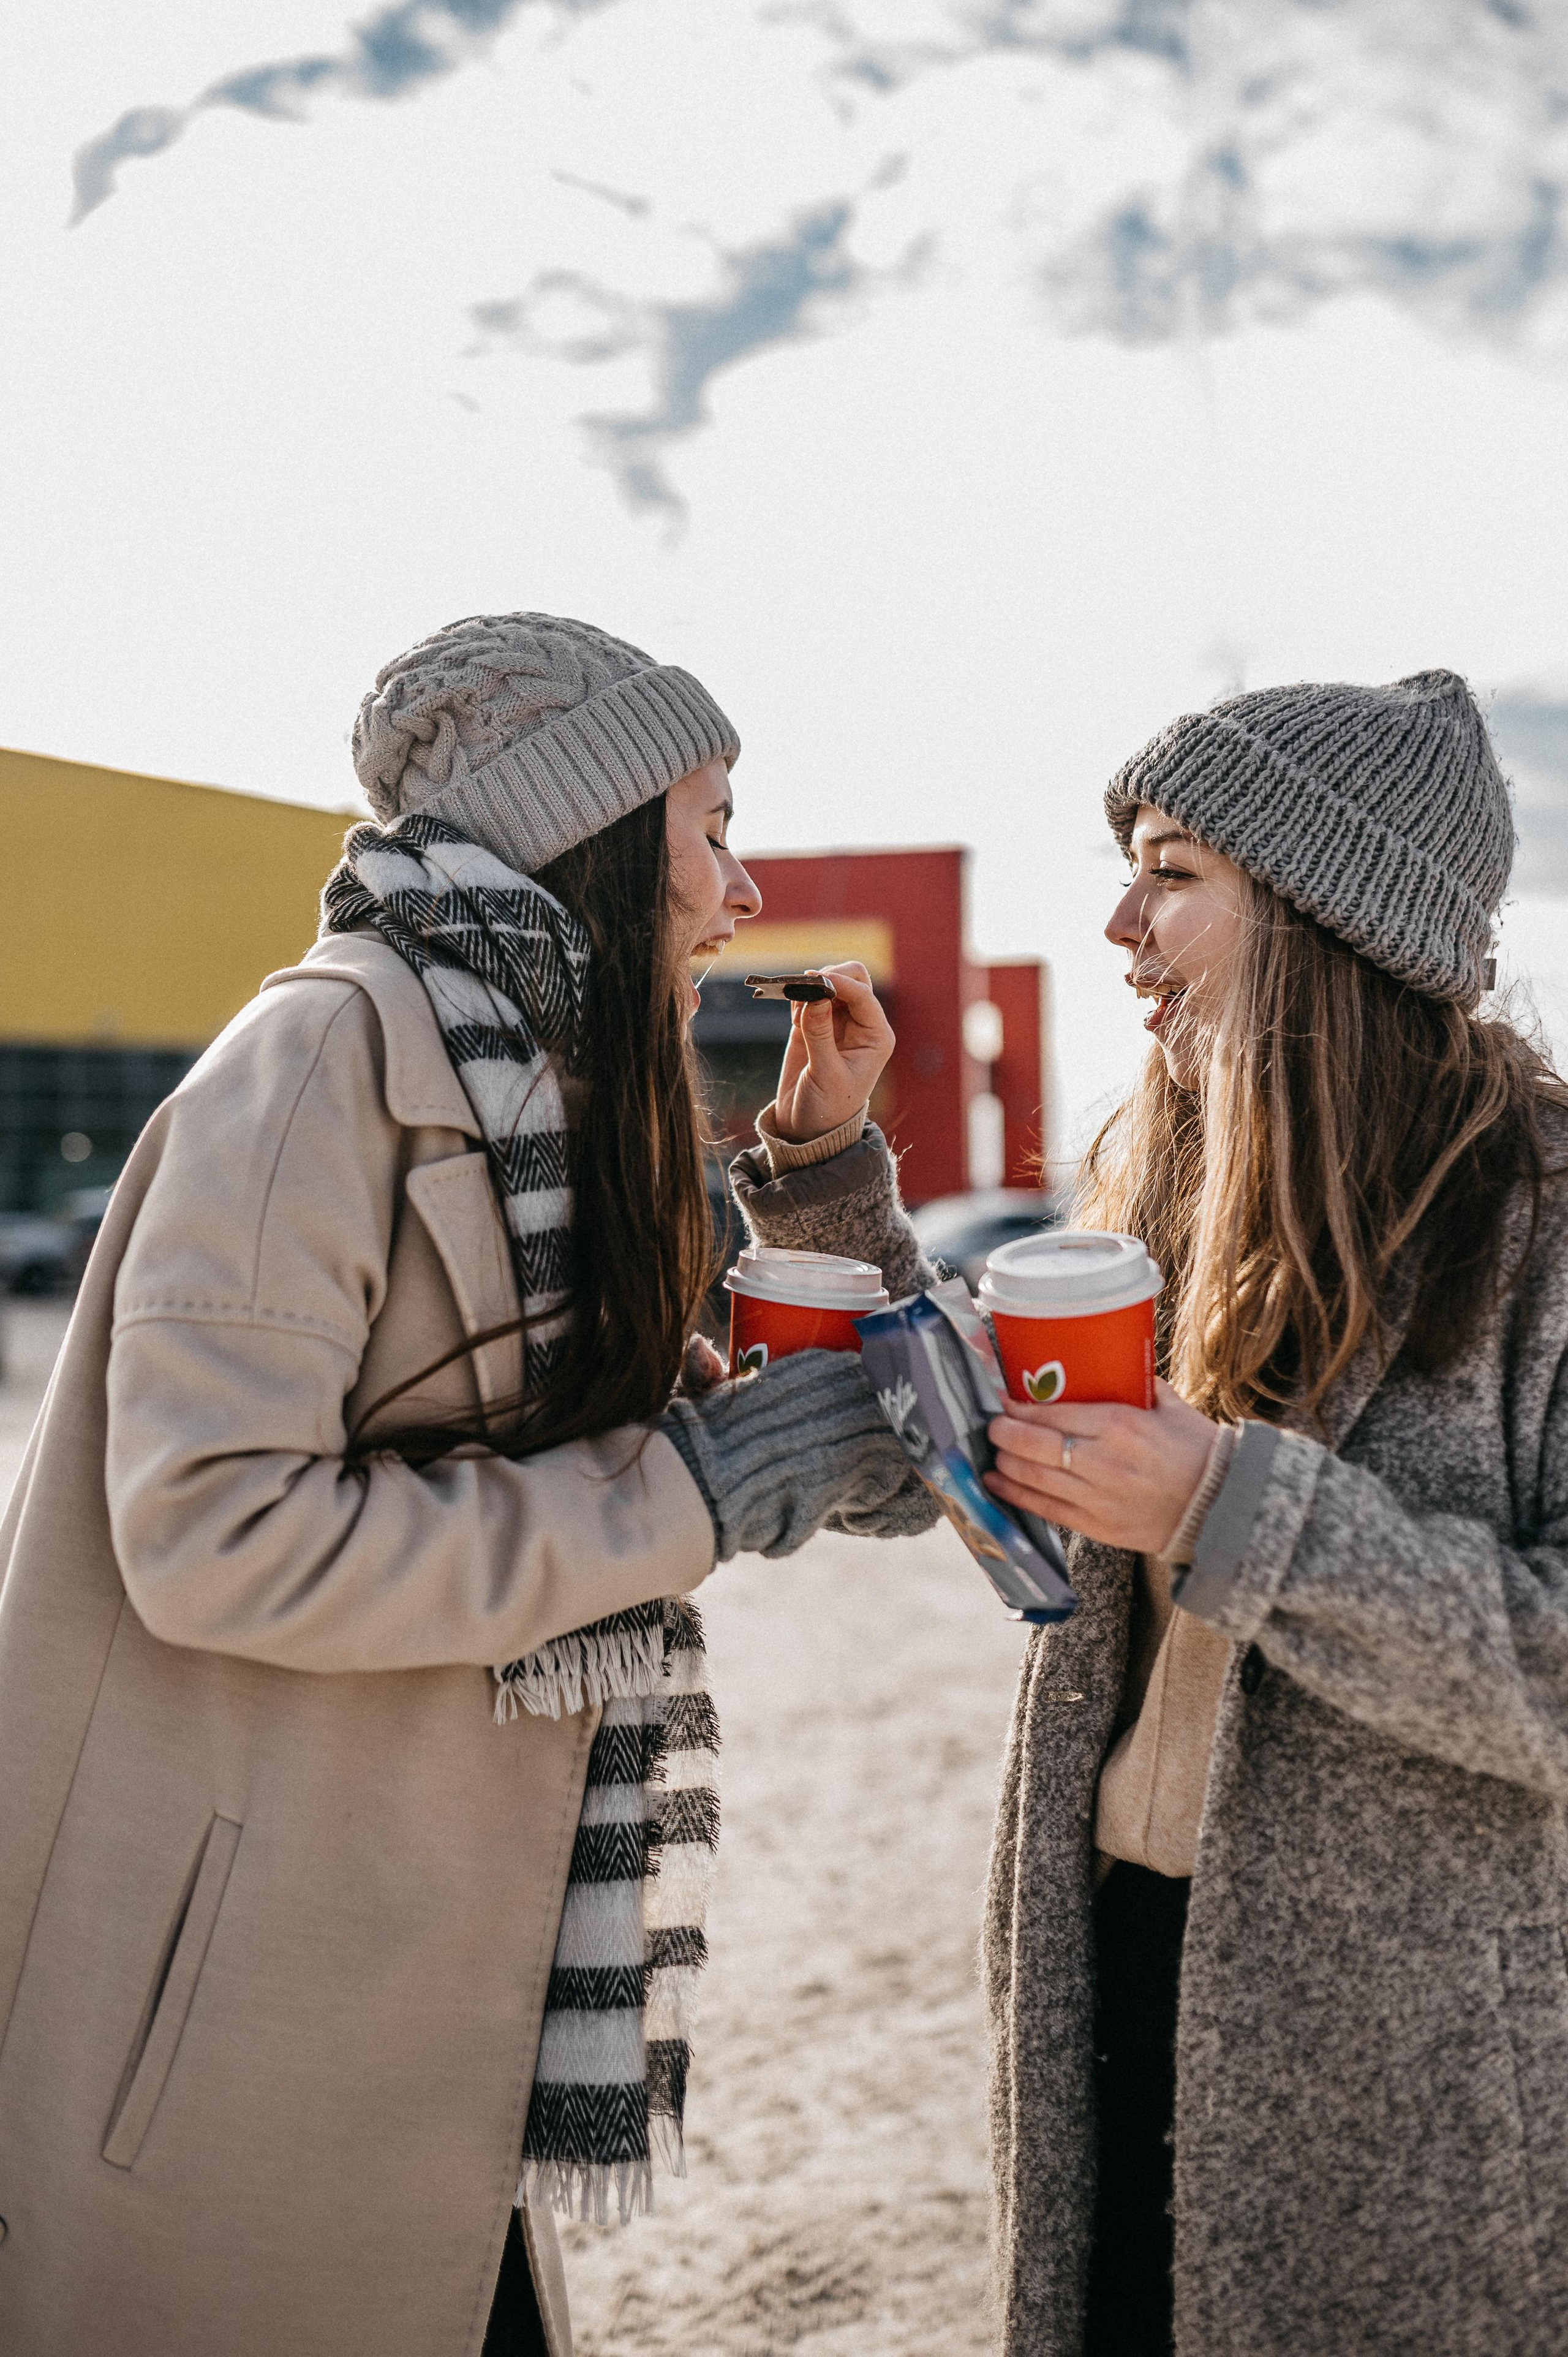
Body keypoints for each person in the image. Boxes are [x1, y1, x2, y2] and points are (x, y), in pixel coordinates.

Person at [0, 612, 934, 2357]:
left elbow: (869, 1481)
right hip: (240, 2008)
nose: (742, 892)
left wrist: (811, 1177)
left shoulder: (554, 1107)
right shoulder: (319, 1063)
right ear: (584, 823)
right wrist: (691, 1498)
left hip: (425, 1988)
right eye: (712, 826)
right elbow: (212, 1540)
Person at [977, 670, 1568, 2356]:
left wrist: (1242, 1507)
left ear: (1323, 916)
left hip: (1410, 2048)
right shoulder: (1167, 1175)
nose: (1118, 923)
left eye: (1172, 872)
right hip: (1111, 1946)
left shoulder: (1549, 1223)